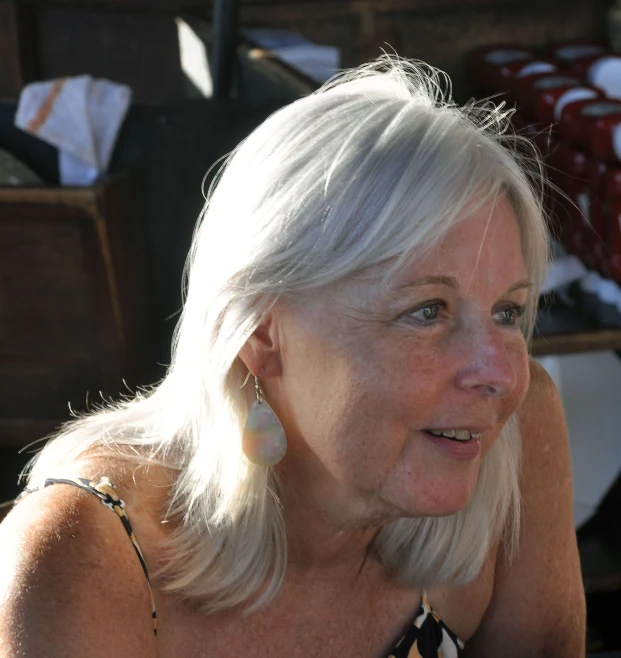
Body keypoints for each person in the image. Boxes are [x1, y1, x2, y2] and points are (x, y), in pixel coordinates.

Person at [0, 57, 585, 657]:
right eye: (427, 311)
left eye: (508, 313)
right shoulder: (89, 560)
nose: (499, 373)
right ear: (261, 334)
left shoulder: (507, 439)